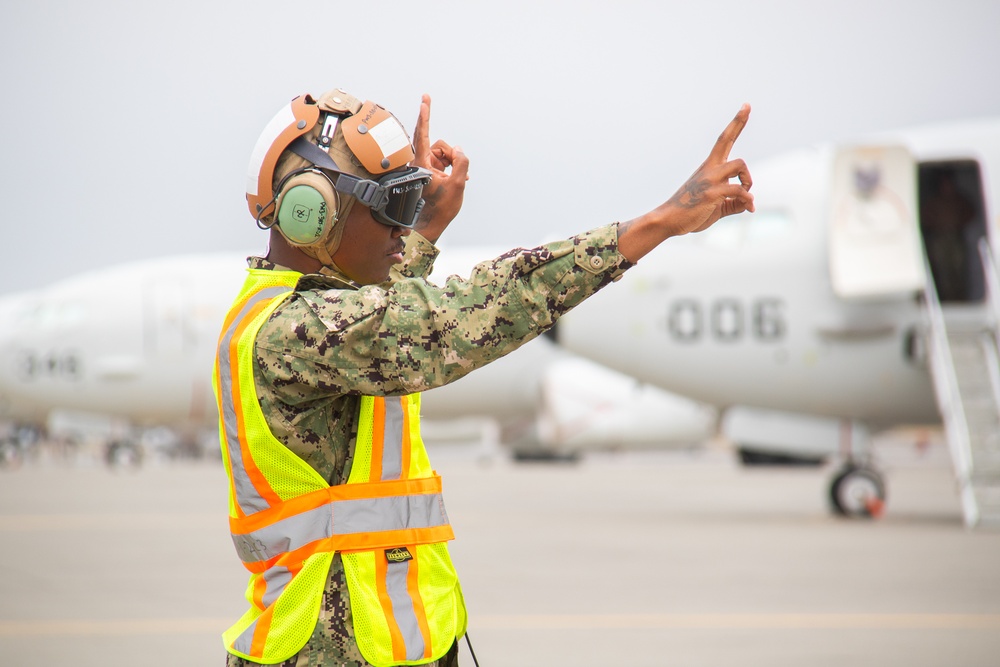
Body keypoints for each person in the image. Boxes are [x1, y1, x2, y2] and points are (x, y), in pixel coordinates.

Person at [214, 87, 754, 667]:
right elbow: (452, 320)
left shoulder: (329, 318)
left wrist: (425, 231)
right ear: (310, 212)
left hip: (400, 641)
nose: (404, 229)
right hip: (326, 651)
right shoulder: (291, 331)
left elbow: (382, 315)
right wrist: (656, 224)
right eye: (392, 209)